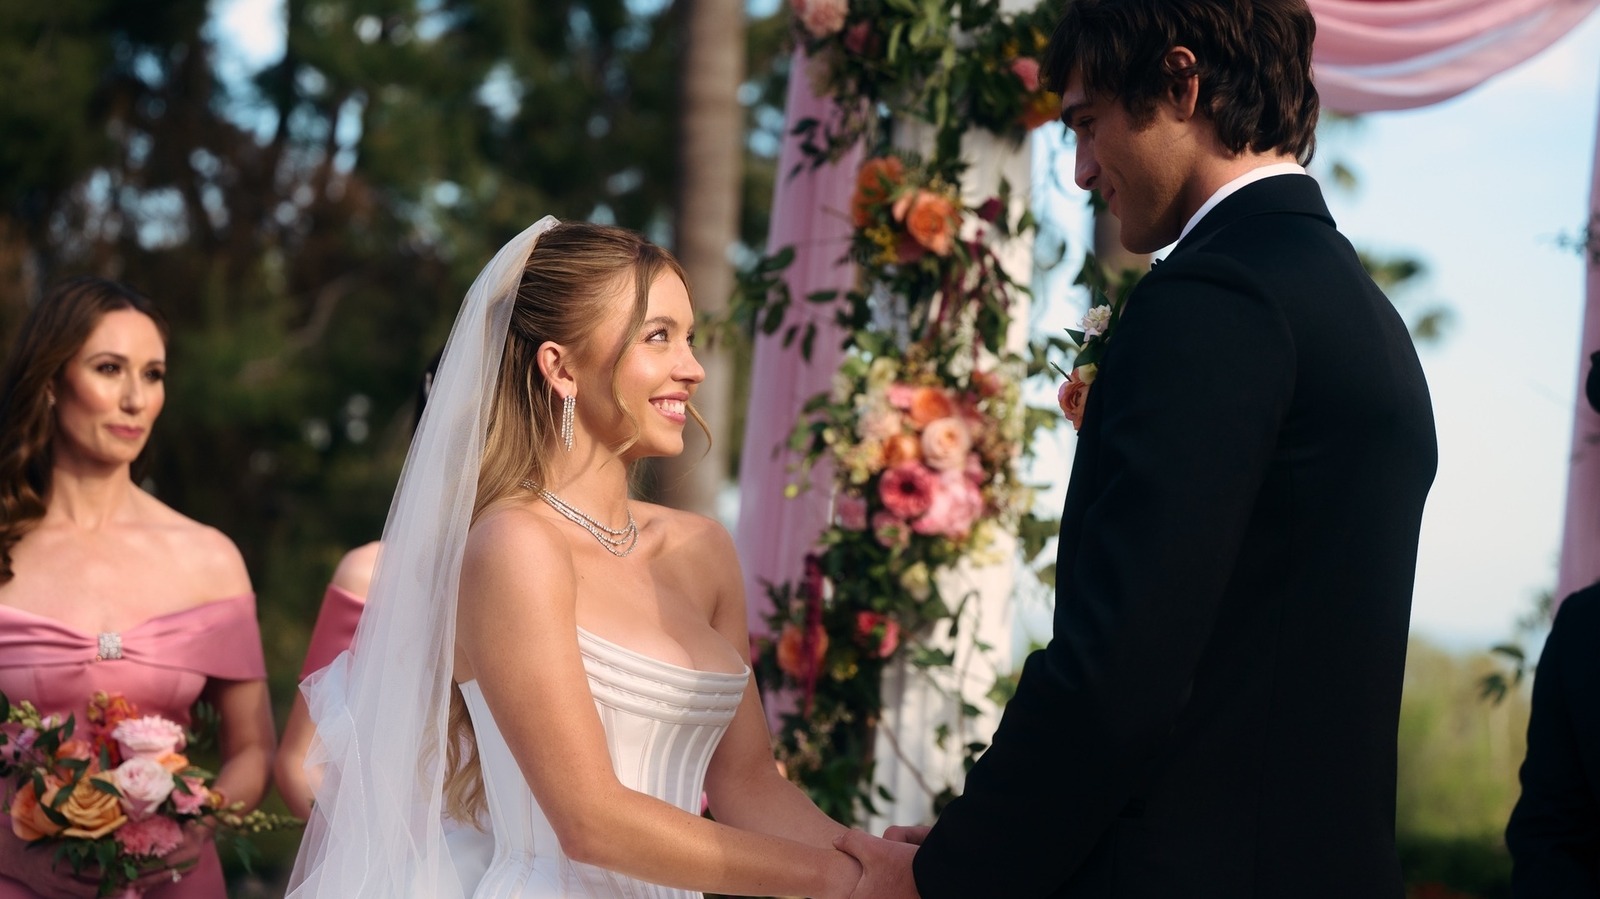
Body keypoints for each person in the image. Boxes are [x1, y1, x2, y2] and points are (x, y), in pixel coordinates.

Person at [836, 1, 1438, 896]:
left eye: (1087, 123)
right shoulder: (1363, 314)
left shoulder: (1217, 298)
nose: (1081, 170)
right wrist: (990, 842)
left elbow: (1121, 671)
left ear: (1181, 82)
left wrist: (953, 872)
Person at [285, 218, 861, 898]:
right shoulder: (512, 545)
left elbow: (748, 783)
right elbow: (590, 821)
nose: (693, 367)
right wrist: (842, 881)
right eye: (658, 336)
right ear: (560, 367)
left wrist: (891, 864)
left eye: (689, 337)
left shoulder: (703, 548)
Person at [0, 278, 277, 898]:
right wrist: (13, 850)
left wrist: (196, 827)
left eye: (153, 375)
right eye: (109, 369)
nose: (135, 399)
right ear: (51, 382)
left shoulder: (209, 558)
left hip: (174, 883)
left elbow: (254, 750)